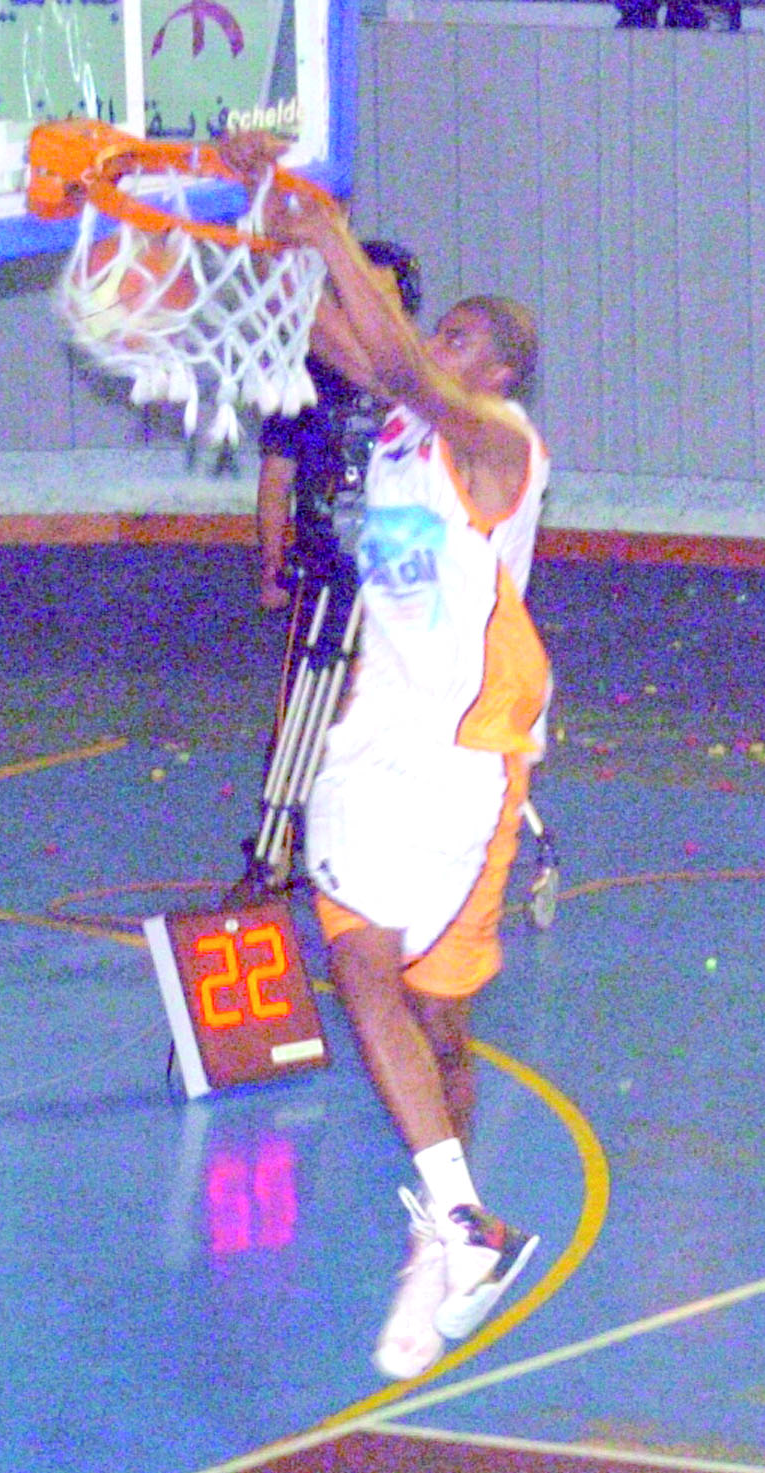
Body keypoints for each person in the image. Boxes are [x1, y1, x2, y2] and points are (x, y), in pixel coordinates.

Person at [229, 137, 552, 1383]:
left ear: (500, 369)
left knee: (424, 1008)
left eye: (461, 333)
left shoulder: (500, 442)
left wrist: (322, 224)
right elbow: (334, 334)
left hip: (459, 750)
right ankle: (456, 1220)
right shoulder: (411, 420)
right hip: (378, 733)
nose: (436, 338)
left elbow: (399, 357)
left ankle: (451, 1223)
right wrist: (247, 217)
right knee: (363, 967)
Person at [252, 238, 421, 615]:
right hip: (324, 561)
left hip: (404, 562)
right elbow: (277, 476)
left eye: (380, 299)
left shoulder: (427, 381)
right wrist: (272, 566)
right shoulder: (303, 380)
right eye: (355, 296)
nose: (366, 311)